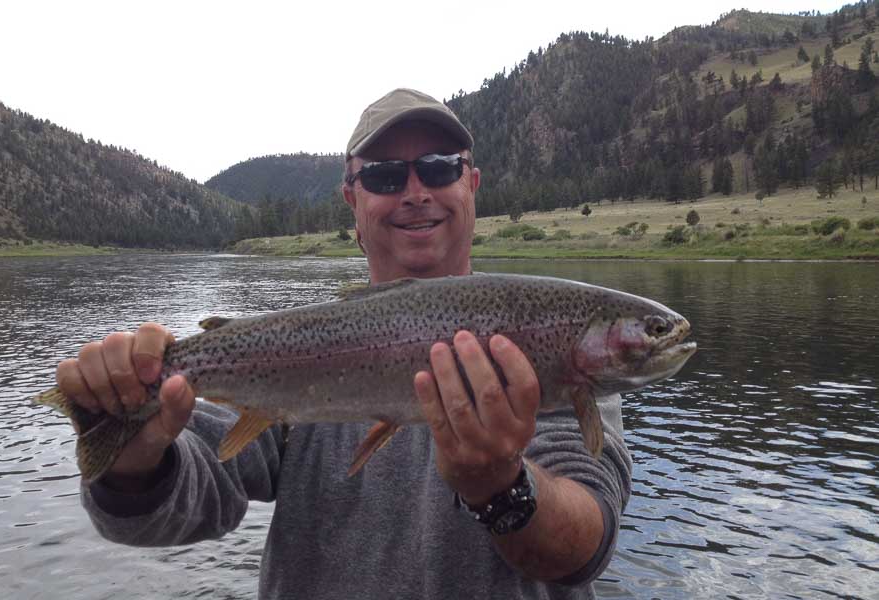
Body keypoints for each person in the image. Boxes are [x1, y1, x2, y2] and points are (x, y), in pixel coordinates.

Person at [57, 88, 631, 599]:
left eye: (437, 169)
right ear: (353, 204)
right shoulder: (290, 347)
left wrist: (502, 488)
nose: (414, 192)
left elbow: (585, 546)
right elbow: (180, 505)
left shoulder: (544, 335)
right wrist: (132, 461)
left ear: (471, 186)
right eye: (384, 176)